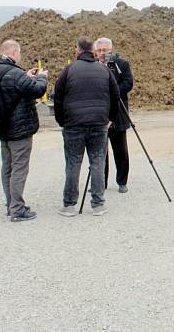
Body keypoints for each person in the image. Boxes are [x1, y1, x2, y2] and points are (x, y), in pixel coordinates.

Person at [53, 36, 119, 217]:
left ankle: (69, 205)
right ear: (93, 50)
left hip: (73, 125)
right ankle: (98, 205)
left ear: (78, 50)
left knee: (73, 163)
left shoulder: (69, 70)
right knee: (98, 162)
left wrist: (62, 121)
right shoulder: (104, 70)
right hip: (99, 123)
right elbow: (115, 96)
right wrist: (109, 118)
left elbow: (57, 97)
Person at [0, 39, 48, 222]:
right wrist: (42, 76)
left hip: (2, 126)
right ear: (13, 53)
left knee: (7, 167)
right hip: (19, 129)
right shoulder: (15, 73)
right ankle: (18, 209)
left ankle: (11, 204)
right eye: (18, 53)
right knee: (19, 167)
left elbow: (16, 87)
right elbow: (37, 90)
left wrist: (26, 76)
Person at [94, 37, 133, 193]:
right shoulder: (92, 66)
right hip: (99, 114)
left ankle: (122, 181)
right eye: (100, 50)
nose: (103, 53)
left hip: (118, 113)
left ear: (111, 50)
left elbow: (128, 83)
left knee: (121, 150)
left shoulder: (121, 64)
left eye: (105, 50)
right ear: (95, 52)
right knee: (100, 152)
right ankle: (100, 183)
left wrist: (113, 90)